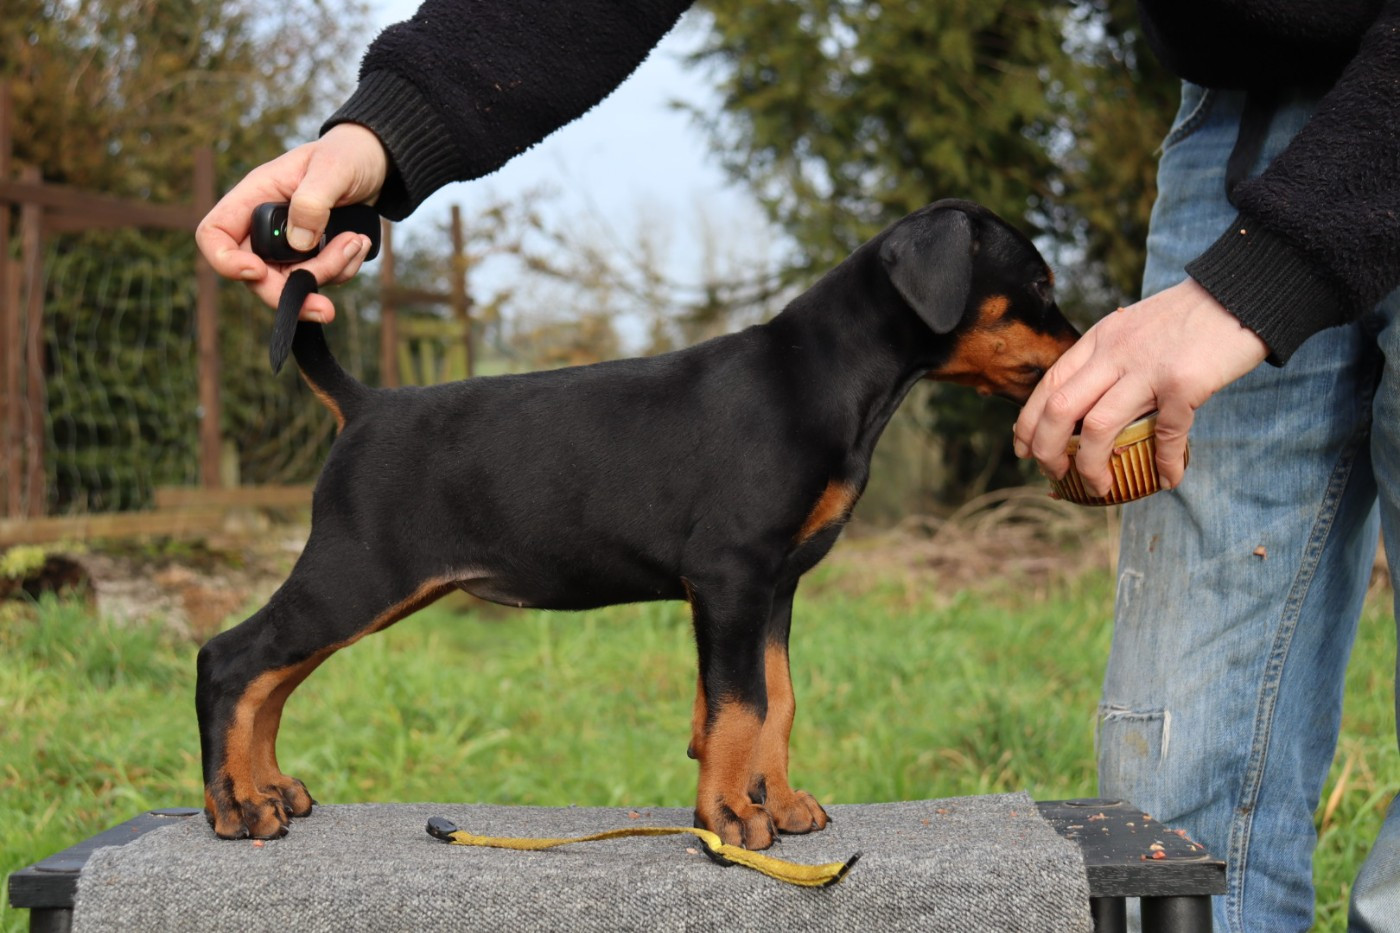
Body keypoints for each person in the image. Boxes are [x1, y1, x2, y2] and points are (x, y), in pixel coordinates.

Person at [196, 2, 1400, 929]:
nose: (1053, 338)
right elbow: (730, 568)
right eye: (1027, 307)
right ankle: (241, 706)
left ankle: (750, 774)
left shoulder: (816, 417)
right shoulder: (778, 408)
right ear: (933, 289)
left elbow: (755, 576)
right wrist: (384, 131)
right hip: (1238, 118)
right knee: (325, 615)